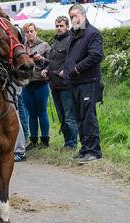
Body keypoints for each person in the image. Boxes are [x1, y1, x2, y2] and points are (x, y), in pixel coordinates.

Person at [63, 4, 103, 164]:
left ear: (84, 15)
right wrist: (67, 71)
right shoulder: (74, 34)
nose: (74, 19)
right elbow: (71, 57)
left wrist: (77, 69)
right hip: (75, 82)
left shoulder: (92, 33)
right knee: (79, 117)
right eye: (71, 17)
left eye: (76, 16)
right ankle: (85, 148)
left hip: (88, 81)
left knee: (88, 116)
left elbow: (96, 56)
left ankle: (94, 151)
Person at [42, 16, 78, 152]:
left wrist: (67, 70)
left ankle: (72, 144)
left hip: (66, 85)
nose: (58, 28)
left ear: (67, 27)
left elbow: (75, 60)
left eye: (61, 26)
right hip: (54, 85)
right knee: (62, 117)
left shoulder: (71, 41)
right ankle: (67, 143)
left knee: (69, 117)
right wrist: (46, 70)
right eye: (57, 25)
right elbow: (53, 63)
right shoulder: (56, 42)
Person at [21, 22, 51, 149]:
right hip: (27, 84)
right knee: (31, 113)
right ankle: (33, 140)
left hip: (40, 82)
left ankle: (45, 140)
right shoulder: (22, 48)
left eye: (31, 31)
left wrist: (42, 60)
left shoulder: (44, 45)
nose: (29, 34)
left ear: (36, 31)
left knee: (42, 112)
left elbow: (52, 63)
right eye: (27, 32)